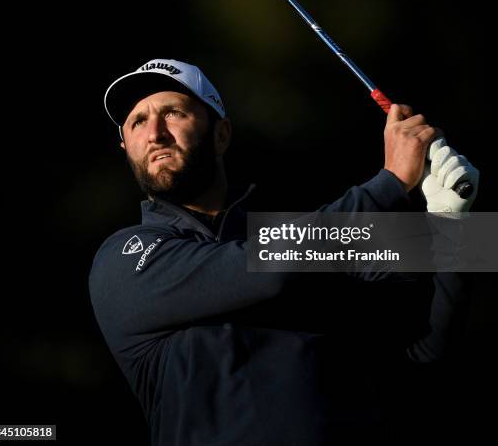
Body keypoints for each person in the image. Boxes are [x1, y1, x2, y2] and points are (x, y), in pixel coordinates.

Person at [89, 58, 479, 446]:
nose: (155, 133)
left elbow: (429, 342)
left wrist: (454, 225)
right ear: (126, 147)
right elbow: (268, 267)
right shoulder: (125, 258)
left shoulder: (305, 234)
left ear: (221, 135)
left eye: (172, 112)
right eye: (137, 121)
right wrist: (390, 182)